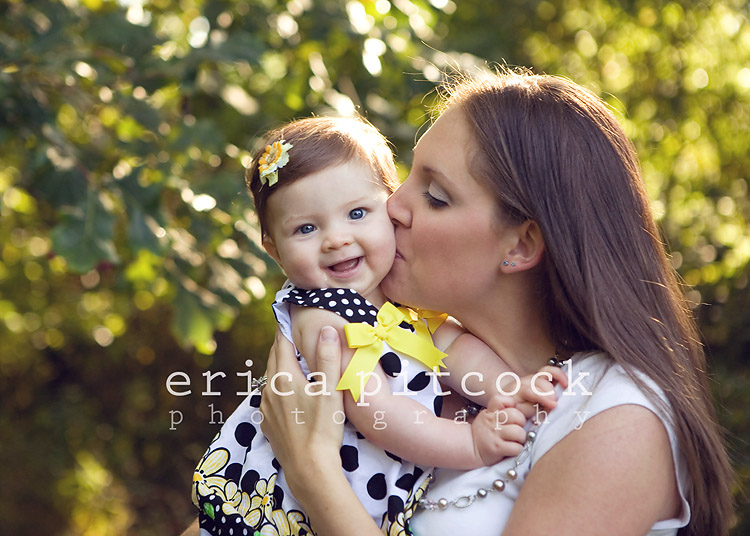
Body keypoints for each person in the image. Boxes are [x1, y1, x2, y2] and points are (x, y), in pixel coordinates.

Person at [256, 69, 736, 536]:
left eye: (435, 196)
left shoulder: (616, 419)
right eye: (404, 178)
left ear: (520, 246)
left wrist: (312, 472)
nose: (394, 206)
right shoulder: (424, 366)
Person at [190, 115, 567, 535]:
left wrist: (508, 389)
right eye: (306, 228)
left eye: (356, 213)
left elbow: (452, 349)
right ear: (274, 250)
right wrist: (471, 443)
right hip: (278, 513)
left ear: (389, 210)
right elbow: (376, 410)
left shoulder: (399, 298)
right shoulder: (321, 317)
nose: (336, 239)